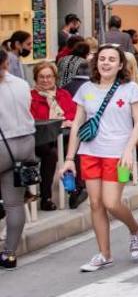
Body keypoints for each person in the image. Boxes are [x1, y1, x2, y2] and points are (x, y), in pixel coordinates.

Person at [60, 45, 138, 272]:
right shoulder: (85, 89)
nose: (105, 63)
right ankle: (104, 254)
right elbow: (77, 124)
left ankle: (136, 229)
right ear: (96, 62)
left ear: (120, 65)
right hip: (90, 153)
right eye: (102, 59)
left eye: (111, 59)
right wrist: (70, 158)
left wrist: (129, 149)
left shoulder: (131, 89)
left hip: (120, 157)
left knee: (112, 203)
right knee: (96, 203)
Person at [0, 50, 37, 270]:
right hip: (25, 144)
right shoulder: (21, 83)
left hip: (1, 144)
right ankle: (9, 254)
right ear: (6, 62)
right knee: (14, 203)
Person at [29, 62, 77, 211]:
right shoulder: (30, 97)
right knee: (51, 154)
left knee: (73, 149)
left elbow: (73, 113)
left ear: (55, 78)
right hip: (40, 141)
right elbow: (34, 118)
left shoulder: (63, 95)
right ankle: (46, 197)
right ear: (36, 78)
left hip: (62, 136)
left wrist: (65, 121)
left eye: (49, 76)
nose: (45, 80)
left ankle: (74, 189)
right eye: (41, 77)